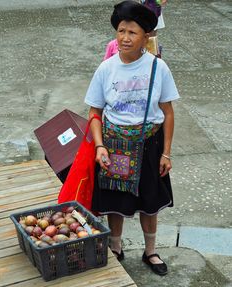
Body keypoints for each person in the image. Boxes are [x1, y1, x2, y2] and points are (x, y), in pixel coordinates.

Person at [84, 0, 179, 276]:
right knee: (116, 198)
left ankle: (151, 252)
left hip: (150, 144)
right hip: (115, 145)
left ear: (146, 36)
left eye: (132, 32)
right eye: (121, 30)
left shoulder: (157, 68)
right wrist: (100, 146)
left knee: (151, 201)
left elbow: (168, 113)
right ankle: (115, 247)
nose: (125, 38)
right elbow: (94, 111)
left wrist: (167, 152)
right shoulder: (106, 69)